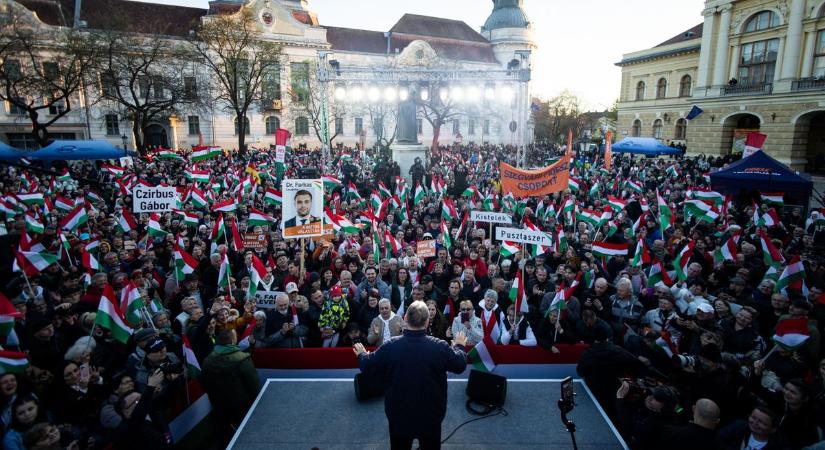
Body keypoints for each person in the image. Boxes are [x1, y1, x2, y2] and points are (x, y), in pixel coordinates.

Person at [354, 300, 468, 450]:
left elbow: (367, 366)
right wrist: (459, 346)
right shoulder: (439, 347)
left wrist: (362, 354)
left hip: (399, 416)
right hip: (431, 417)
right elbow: (460, 364)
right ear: (427, 322)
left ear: (405, 319)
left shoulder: (390, 346)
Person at [200, 329, 261, 445]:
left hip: (218, 404)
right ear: (232, 340)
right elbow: (254, 385)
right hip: (241, 405)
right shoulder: (242, 359)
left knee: (225, 434)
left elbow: (203, 382)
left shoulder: (208, 360)